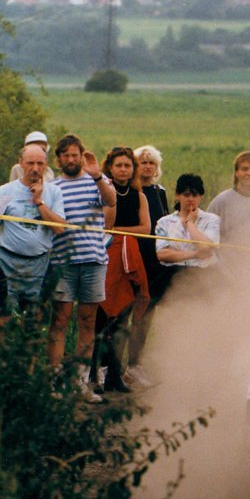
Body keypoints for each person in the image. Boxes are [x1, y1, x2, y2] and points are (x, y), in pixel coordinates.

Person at [47, 134, 116, 402]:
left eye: (75, 155)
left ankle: (80, 381)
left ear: (82, 155)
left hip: (94, 260)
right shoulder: (53, 187)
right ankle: (54, 382)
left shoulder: (96, 181)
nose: (71, 159)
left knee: (87, 321)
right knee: (60, 321)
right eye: (66, 155)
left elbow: (110, 201)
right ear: (59, 159)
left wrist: (98, 176)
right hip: (62, 262)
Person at [0, 144, 67, 320]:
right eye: (30, 163)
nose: (35, 169)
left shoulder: (54, 192)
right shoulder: (5, 191)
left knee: (33, 322)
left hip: (39, 264)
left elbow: (60, 228)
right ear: (21, 163)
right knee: (2, 320)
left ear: (46, 165)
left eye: (40, 163)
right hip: (7, 262)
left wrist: (39, 202)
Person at [93, 146, 150, 393]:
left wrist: (121, 232)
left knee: (122, 320)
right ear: (110, 168)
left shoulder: (140, 196)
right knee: (100, 318)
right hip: (105, 255)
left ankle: (115, 375)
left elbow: (146, 229)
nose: (123, 169)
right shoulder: (104, 193)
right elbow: (104, 226)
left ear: (132, 169)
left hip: (130, 259)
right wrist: (119, 232)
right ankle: (94, 373)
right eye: (119, 165)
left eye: (127, 165)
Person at [128, 144, 171, 389]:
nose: (147, 166)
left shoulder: (160, 191)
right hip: (133, 254)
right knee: (123, 311)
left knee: (146, 314)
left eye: (151, 162)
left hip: (155, 259)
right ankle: (111, 367)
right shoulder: (130, 191)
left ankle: (135, 364)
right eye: (143, 161)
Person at [207, 149, 250, 249]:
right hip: (225, 262)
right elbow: (207, 234)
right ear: (237, 172)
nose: (249, 173)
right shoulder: (221, 201)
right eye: (244, 169)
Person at [155, 173, 220, 271]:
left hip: (204, 273)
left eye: (194, 195)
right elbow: (162, 254)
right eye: (186, 195)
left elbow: (206, 248)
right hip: (172, 273)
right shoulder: (164, 222)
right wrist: (195, 254)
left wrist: (190, 223)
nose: (190, 199)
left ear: (200, 196)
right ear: (178, 195)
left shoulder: (212, 220)